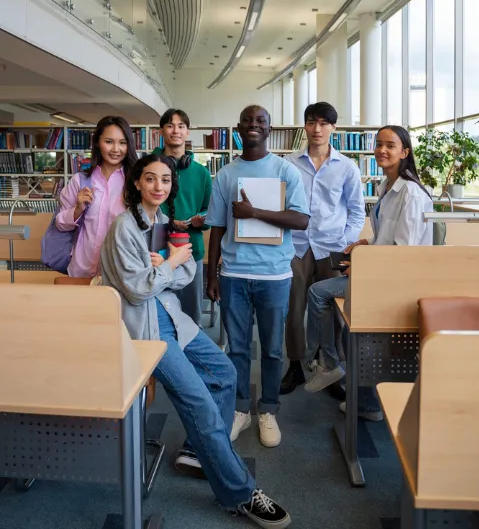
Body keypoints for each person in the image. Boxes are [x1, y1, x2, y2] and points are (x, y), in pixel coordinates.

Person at [100, 154, 291, 529]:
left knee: (224, 373)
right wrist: (167, 265)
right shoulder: (124, 227)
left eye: (166, 181)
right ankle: (238, 491)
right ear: (137, 183)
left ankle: (202, 451)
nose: (159, 186)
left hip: (172, 318)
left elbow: (186, 273)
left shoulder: (164, 223)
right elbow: (139, 292)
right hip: (145, 330)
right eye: (151, 179)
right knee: (199, 402)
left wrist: (166, 266)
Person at [304, 125, 433, 420]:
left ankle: (329, 364)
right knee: (352, 325)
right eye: (378, 144)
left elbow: (404, 250)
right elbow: (388, 237)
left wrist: (363, 263)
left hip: (393, 282)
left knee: (319, 292)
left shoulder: (410, 193)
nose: (382, 150)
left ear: (405, 152)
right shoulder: (387, 187)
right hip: (380, 272)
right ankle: (365, 401)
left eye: (390, 145)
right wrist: (366, 243)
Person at [206, 105, 309, 448]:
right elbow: (217, 228)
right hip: (234, 273)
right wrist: (212, 274)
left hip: (274, 275)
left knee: (272, 350)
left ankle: (268, 410)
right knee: (236, 349)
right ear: (238, 128)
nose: (253, 125)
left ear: (269, 129)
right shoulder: (225, 174)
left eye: (260, 121)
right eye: (248, 120)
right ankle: (240, 410)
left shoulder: (286, 171)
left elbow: (301, 221)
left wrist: (254, 213)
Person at [280, 102, 365, 395]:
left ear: (333, 128)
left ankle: (328, 367)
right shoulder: (288, 164)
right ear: (304, 126)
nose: (317, 129)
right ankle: (295, 366)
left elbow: (356, 211)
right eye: (311, 122)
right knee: (293, 311)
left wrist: (345, 244)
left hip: (332, 248)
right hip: (297, 246)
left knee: (333, 312)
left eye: (323, 123)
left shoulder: (347, 167)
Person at [55, 115, 137, 278]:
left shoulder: (136, 183)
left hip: (120, 273)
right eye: (109, 142)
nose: (116, 149)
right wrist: (77, 209)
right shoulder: (80, 180)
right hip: (81, 270)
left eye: (122, 143)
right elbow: (60, 224)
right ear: (98, 143)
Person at [152, 108, 212, 325]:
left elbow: (209, 209)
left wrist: (202, 219)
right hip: (155, 251)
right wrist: (168, 222)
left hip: (190, 251)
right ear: (161, 131)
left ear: (187, 132)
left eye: (180, 126)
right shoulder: (149, 167)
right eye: (169, 125)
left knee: (190, 316)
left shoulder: (201, 173)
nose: (175, 131)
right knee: (157, 316)